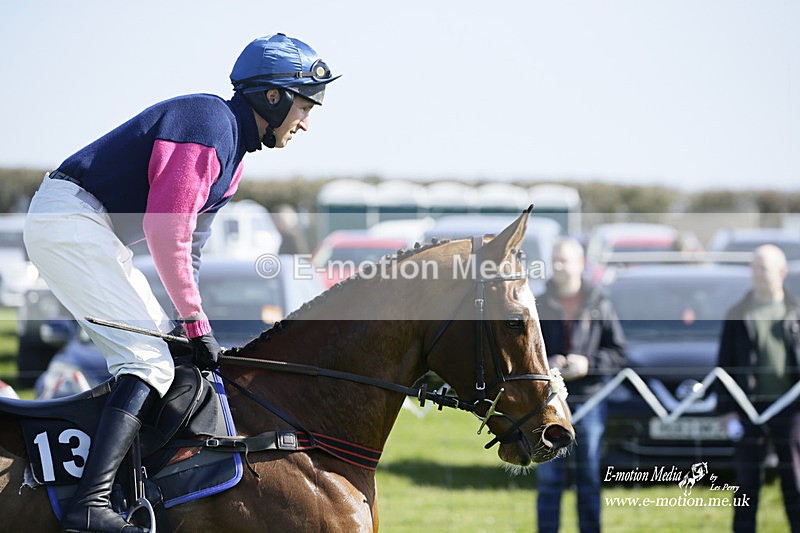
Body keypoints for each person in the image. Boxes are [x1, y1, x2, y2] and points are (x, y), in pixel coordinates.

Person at [23, 33, 338, 533]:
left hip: (85, 228)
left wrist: (189, 328)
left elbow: (188, 250)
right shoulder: (210, 123)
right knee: (145, 360)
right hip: (71, 221)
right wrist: (194, 324)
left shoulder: (231, 162)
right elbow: (165, 230)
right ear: (272, 96)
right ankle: (91, 503)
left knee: (159, 358)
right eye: (305, 105)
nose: (307, 122)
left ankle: (130, 486)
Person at [536, 237, 625, 533]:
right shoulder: (536, 303)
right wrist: (547, 363)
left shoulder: (599, 302)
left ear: (581, 264)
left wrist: (589, 364)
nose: (558, 266)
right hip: (549, 403)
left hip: (591, 401)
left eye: (565, 260)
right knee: (549, 480)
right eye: (555, 259)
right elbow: (524, 351)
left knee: (588, 477)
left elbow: (619, 353)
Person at [716, 244, 800, 533]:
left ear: (782, 271)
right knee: (746, 486)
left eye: (764, 268)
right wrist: (727, 412)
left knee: (795, 482)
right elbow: (723, 368)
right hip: (748, 409)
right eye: (754, 268)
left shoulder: (795, 312)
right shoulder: (737, 313)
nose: (758, 274)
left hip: (790, 410)